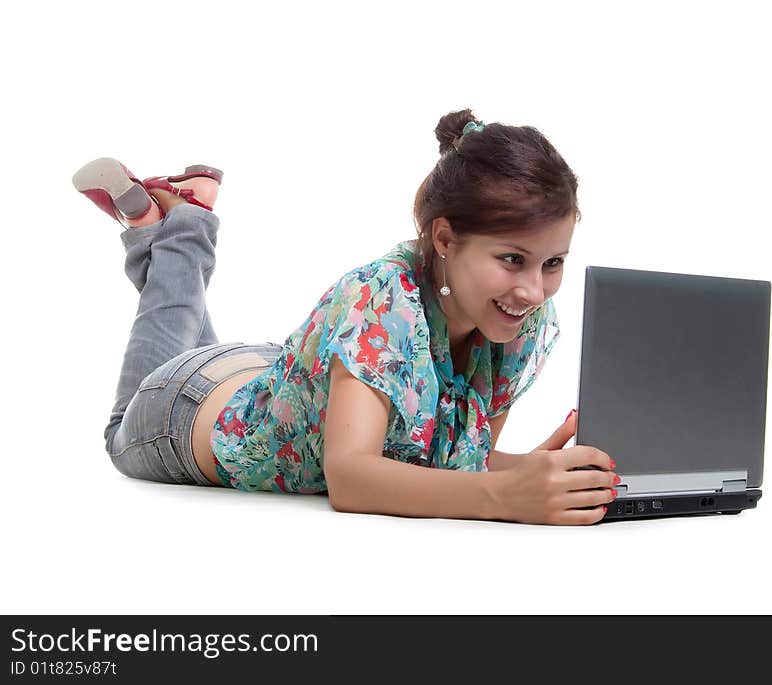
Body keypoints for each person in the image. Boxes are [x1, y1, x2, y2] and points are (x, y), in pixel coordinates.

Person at [75, 109, 620, 526]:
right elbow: (352, 477)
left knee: (196, 347)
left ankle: (163, 225)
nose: (532, 289)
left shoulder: (513, 319)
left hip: (275, 383)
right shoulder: (383, 299)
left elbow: (446, 466)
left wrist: (528, 473)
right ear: (446, 239)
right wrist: (506, 494)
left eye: (553, 263)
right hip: (185, 413)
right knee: (121, 426)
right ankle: (181, 228)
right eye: (512, 260)